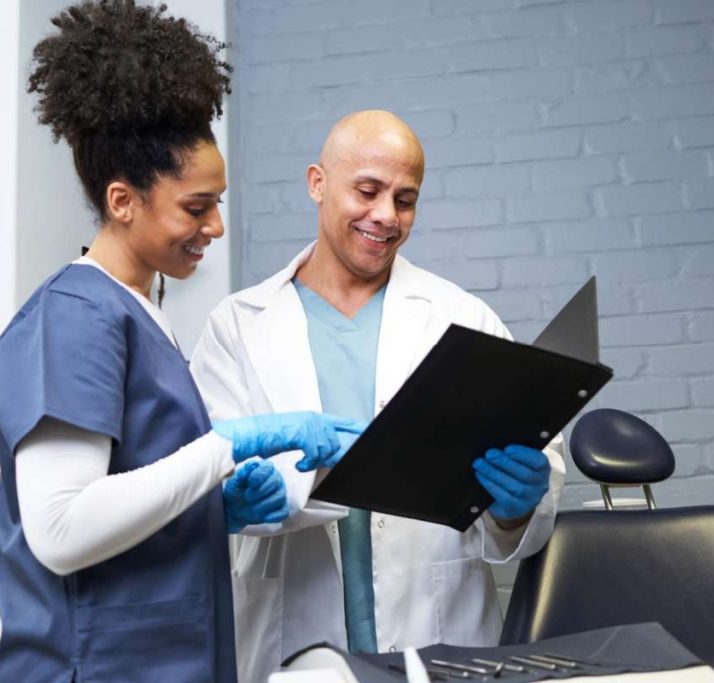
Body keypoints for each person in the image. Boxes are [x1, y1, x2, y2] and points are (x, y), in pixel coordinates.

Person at [0, 3, 362, 681]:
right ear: (123, 200)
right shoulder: (74, 316)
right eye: (195, 206)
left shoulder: (141, 315)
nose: (214, 225)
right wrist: (230, 445)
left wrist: (215, 513)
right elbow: (61, 529)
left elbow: (125, 507)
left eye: (216, 203)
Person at [190, 110, 566, 683]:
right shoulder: (237, 326)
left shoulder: (461, 317)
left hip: (441, 638)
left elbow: (524, 497)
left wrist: (516, 508)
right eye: (367, 190)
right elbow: (203, 484)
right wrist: (254, 494)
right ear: (318, 183)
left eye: (406, 199)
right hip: (292, 641)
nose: (386, 216)